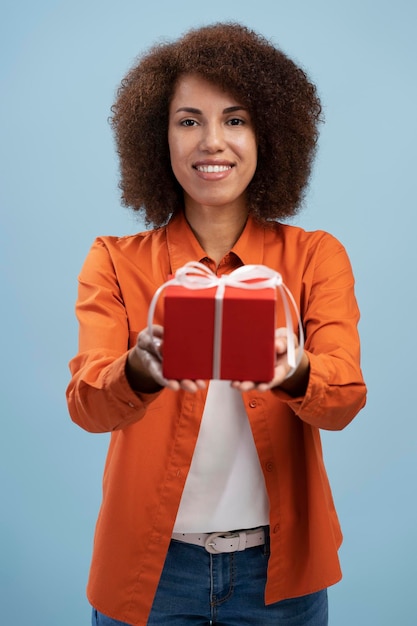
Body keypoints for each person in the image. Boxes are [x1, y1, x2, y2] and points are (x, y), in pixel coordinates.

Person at [66, 22, 367, 626]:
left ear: (269, 135)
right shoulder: (114, 259)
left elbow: (343, 400)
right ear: (159, 137)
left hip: (279, 578)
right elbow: (86, 406)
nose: (212, 142)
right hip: (149, 574)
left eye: (235, 120)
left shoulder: (315, 256)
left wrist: (295, 370)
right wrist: (139, 369)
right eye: (188, 120)